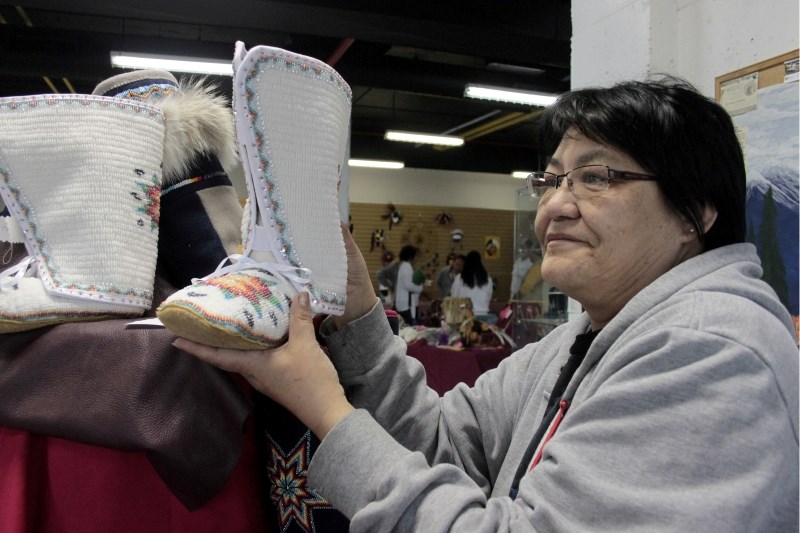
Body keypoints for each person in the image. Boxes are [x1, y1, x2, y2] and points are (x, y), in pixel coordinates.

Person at [175, 76, 799, 531]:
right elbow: (444, 443)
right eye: (552, 179)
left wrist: (328, 412)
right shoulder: (582, 336)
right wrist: (363, 316)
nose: (556, 204)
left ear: (698, 212)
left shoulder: (708, 349)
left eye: (598, 177)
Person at [450, 250, 496, 323]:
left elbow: (454, 297)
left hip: (465, 316)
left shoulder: (460, 278)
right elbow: (488, 297)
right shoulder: (487, 279)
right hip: (483, 316)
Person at [393, 244, 424, 325]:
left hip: (402, 302)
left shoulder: (403, 266)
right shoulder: (407, 266)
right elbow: (409, 286)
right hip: (406, 304)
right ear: (411, 257)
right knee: (409, 326)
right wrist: (420, 288)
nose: (417, 259)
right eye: (416, 256)